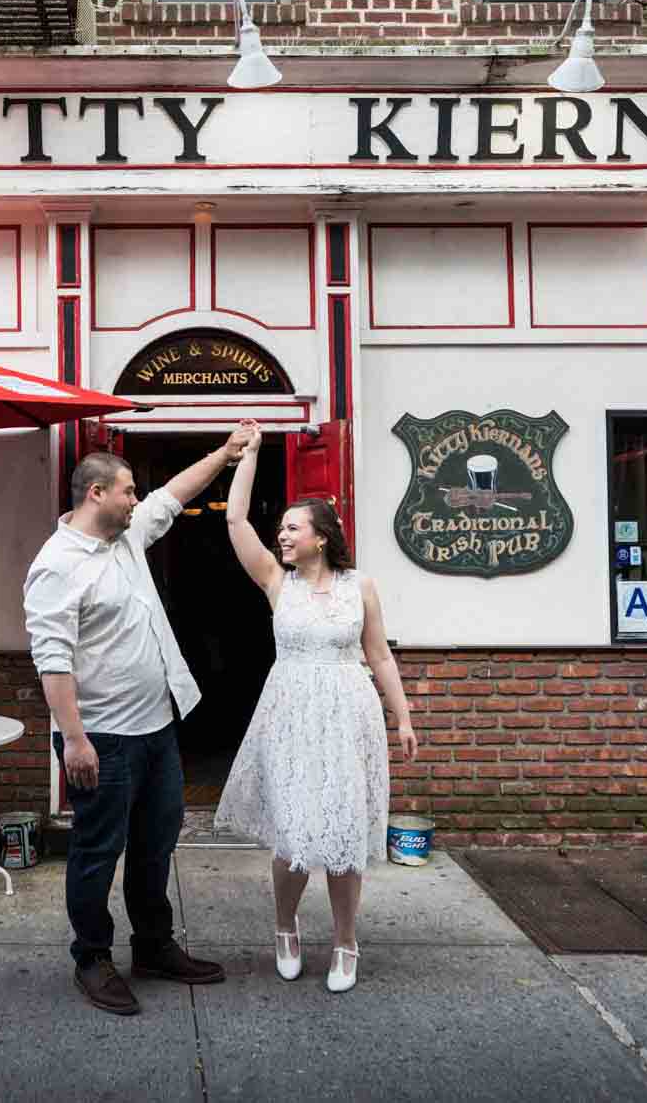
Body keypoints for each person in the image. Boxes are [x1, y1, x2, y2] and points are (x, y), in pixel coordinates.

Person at [24, 423, 256, 1016]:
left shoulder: (125, 538)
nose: (136, 498)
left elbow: (174, 495)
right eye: (127, 490)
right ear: (96, 493)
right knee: (98, 851)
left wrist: (226, 454)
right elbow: (52, 660)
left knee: (155, 846)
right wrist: (73, 740)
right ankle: (92, 959)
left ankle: (152, 946)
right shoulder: (56, 565)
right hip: (101, 738)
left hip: (156, 727)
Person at [213, 425, 417, 992]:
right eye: (280, 529)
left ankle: (346, 942)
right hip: (292, 715)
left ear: (321, 537)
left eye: (292, 528)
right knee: (296, 833)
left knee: (345, 834)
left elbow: (378, 653)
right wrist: (247, 457)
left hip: (349, 715)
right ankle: (285, 927)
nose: (281, 536)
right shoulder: (278, 583)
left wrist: (401, 716)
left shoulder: (361, 587)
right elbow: (235, 522)